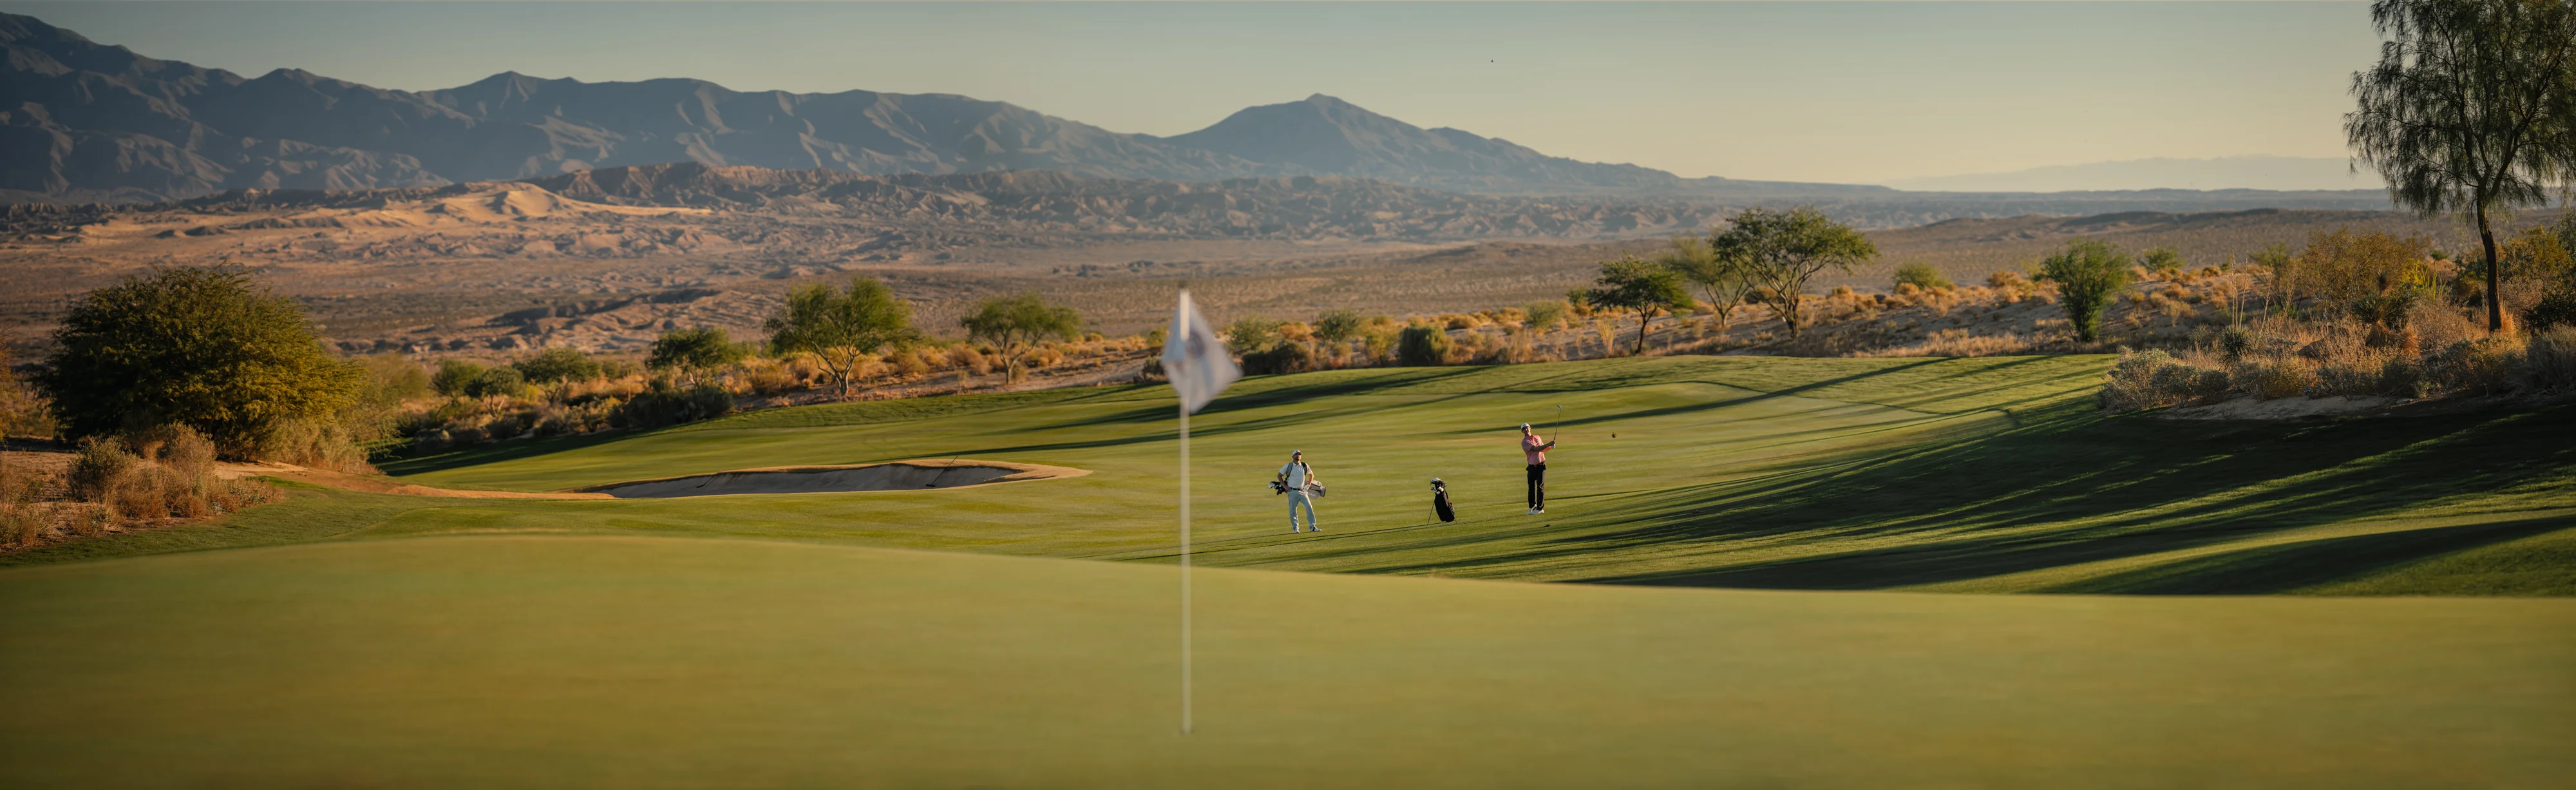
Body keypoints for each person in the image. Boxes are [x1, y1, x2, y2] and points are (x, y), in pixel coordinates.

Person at [1277, 450, 1321, 534]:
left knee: (1309, 507)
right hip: (1292, 491)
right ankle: (1296, 528)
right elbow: (1279, 475)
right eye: (1296, 454)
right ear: (1293, 456)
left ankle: (1313, 527)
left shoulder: (1304, 465)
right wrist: (1285, 486)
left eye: (1299, 454)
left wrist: (1307, 486)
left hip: (1303, 491)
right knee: (1293, 510)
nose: (1298, 455)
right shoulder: (1288, 466)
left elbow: (1311, 475)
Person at [1520, 423, 1556, 515]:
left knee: (1540, 487)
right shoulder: (1524, 442)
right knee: (1531, 487)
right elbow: (1535, 449)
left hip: (1541, 466)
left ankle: (1540, 508)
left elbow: (1543, 450)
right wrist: (1549, 444)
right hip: (1532, 467)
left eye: (1527, 428)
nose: (1526, 430)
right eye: (1524, 429)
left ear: (1530, 428)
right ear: (1522, 431)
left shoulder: (1537, 437)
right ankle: (1532, 506)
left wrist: (1550, 447)